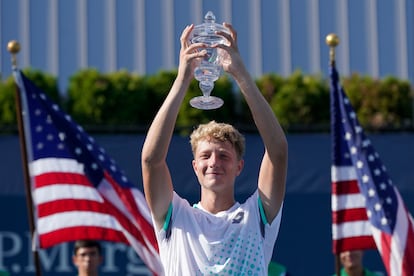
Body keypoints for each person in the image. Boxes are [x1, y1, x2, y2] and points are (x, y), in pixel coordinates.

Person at [141, 22, 288, 275]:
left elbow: (278, 153)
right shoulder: (175, 215)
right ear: (195, 166)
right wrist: (182, 79)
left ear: (239, 166)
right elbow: (151, 160)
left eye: (224, 156)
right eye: (205, 156)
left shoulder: (256, 215)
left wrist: (241, 75)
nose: (214, 162)